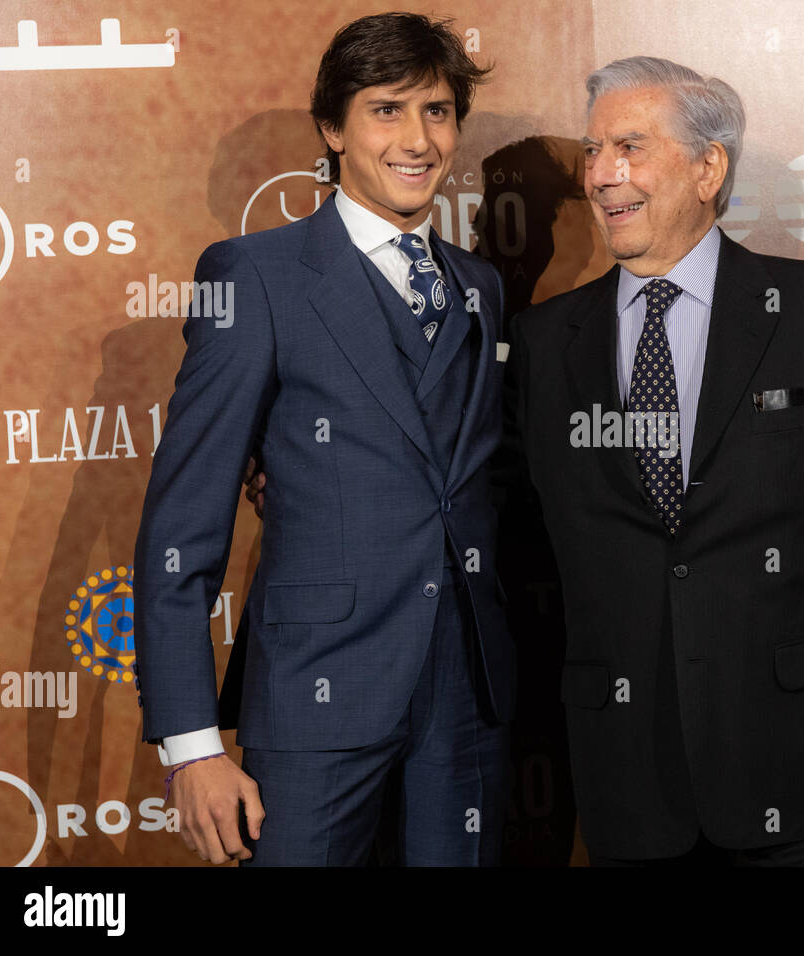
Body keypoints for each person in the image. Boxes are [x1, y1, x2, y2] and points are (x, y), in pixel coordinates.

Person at [500, 56, 804, 865]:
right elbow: (507, 524)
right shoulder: (543, 341)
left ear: (708, 168)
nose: (601, 175)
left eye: (629, 146)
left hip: (792, 742)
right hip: (622, 759)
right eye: (593, 153)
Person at [132, 12, 513, 866]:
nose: (418, 140)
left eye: (439, 112)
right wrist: (191, 743)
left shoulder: (480, 286)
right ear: (333, 129)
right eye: (387, 110)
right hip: (316, 693)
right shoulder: (255, 276)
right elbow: (180, 527)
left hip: (464, 704)